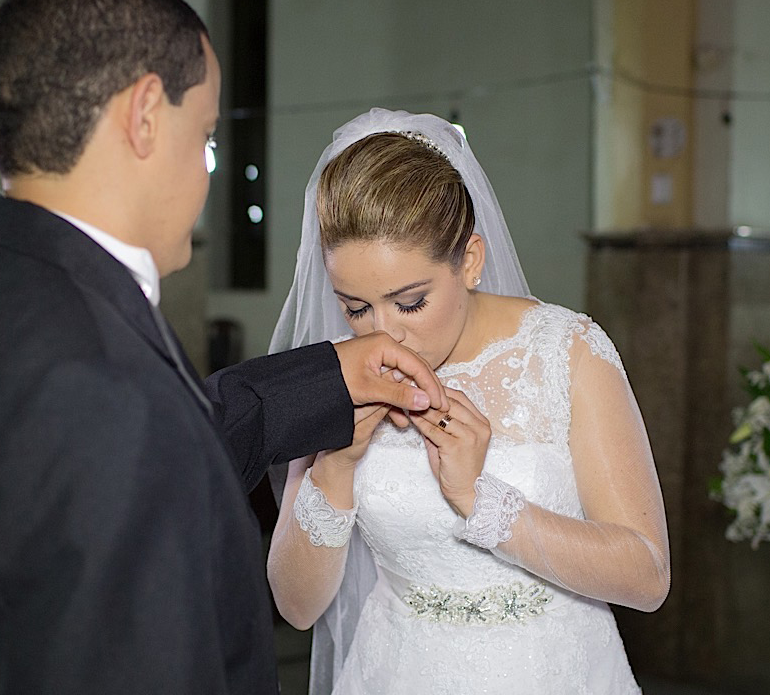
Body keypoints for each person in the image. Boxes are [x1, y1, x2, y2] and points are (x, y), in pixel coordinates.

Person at [0, 0, 446, 695]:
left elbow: (178, 445)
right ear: (146, 114)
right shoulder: (91, 380)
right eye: (206, 134)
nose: (208, 170)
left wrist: (330, 379)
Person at [267, 109, 670, 694]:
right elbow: (298, 607)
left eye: (409, 303)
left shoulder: (567, 351)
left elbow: (647, 575)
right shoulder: (341, 372)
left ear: (471, 260)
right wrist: (335, 466)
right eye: (356, 308)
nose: (383, 335)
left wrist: (483, 504)